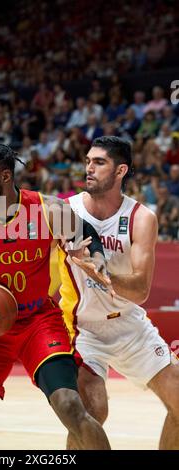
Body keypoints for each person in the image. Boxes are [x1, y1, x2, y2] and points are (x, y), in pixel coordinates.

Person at [0, 142, 111, 450]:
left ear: (4, 176)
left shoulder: (47, 209)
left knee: (71, 405)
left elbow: (86, 234)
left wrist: (96, 259)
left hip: (37, 322)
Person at [59, 136, 179, 450]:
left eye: (99, 162)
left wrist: (101, 272)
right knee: (91, 412)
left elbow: (139, 290)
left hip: (129, 324)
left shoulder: (141, 218)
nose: (89, 168)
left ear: (120, 170)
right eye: (87, 161)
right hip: (83, 328)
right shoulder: (64, 212)